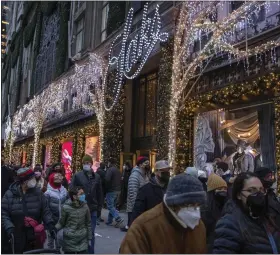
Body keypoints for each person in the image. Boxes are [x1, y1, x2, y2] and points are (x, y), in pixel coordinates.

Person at [119, 173, 207, 254]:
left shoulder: (198, 227)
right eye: (189, 205)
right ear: (173, 204)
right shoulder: (143, 228)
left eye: (198, 205)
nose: (195, 212)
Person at [213, 172, 280, 254]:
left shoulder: (268, 217)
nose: (259, 195)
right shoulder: (229, 224)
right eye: (251, 190)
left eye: (261, 190)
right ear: (239, 195)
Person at [1, 167, 55, 253]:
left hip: (34, 236)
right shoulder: (10, 194)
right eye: (32, 178)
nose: (34, 179)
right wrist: (9, 227)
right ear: (25, 181)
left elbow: (45, 210)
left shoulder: (38, 193)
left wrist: (50, 224)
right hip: (15, 235)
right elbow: (3, 213)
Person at [71, 155, 103, 254]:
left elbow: (100, 193)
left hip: (92, 208)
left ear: (91, 164)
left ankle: (90, 252)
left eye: (88, 163)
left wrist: (99, 209)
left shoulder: (96, 177)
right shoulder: (77, 175)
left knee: (91, 233)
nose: (86, 165)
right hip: (80, 208)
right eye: (85, 163)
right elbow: (71, 190)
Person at [130, 160, 171, 225]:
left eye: (168, 171)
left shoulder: (171, 188)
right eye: (163, 171)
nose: (167, 173)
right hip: (151, 227)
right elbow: (137, 212)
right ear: (156, 172)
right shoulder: (145, 190)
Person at [56, 186, 92, 254]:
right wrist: (54, 229)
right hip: (69, 239)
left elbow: (88, 223)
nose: (83, 195)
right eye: (81, 194)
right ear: (74, 196)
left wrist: (89, 238)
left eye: (83, 193)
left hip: (82, 239)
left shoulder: (85, 206)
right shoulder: (66, 207)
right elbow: (61, 222)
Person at [121, 156, 150, 232]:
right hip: (135, 209)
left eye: (148, 163)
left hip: (142, 207)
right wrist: (137, 208)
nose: (148, 165)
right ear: (140, 165)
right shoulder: (135, 176)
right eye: (146, 163)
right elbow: (133, 194)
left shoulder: (145, 175)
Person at [201, 173, 228, 252]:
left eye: (225, 188)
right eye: (219, 189)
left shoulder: (227, 207)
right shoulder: (204, 210)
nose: (223, 191)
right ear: (212, 192)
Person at [44, 172, 68, 249]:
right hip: (51, 220)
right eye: (56, 178)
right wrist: (49, 220)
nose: (59, 179)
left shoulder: (64, 190)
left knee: (59, 240)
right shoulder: (48, 193)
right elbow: (46, 208)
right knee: (50, 240)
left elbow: (67, 203)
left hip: (61, 220)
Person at [105, 157, 124, 227]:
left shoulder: (110, 170)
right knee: (113, 206)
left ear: (110, 162)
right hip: (118, 190)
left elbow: (107, 180)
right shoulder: (118, 170)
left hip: (111, 190)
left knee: (110, 206)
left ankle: (118, 218)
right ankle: (109, 221)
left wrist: (106, 188)